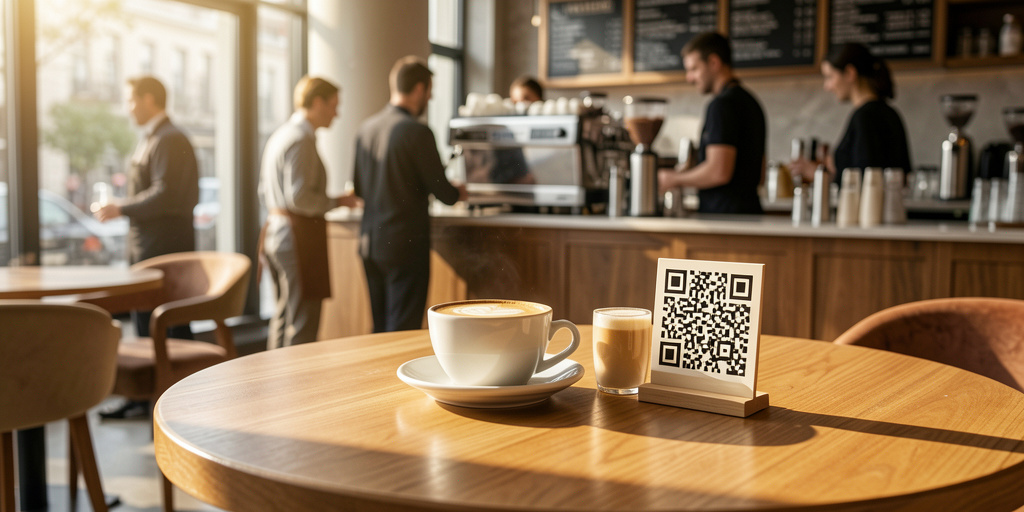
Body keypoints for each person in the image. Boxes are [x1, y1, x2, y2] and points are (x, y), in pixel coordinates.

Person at [94, 75, 199, 418]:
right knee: (145, 322)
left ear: (150, 99)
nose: (128, 108)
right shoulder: (155, 138)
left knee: (167, 324)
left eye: (131, 100)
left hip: (163, 249)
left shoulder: (169, 139)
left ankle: (177, 400)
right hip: (148, 247)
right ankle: (145, 397)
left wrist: (122, 208)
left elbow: (166, 194)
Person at [353, 56, 468, 333]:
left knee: (379, 328)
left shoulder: (365, 129)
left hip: (370, 242)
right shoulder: (417, 131)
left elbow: (358, 189)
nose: (429, 98)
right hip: (404, 245)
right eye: (430, 92)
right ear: (419, 89)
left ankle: (375, 377)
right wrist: (459, 191)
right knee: (402, 330)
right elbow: (445, 194)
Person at [260, 76, 361, 349]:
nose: (336, 114)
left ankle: (274, 384)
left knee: (283, 316)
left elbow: (264, 191)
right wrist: (338, 201)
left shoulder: (280, 135)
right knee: (302, 322)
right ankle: (295, 388)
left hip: (276, 232)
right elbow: (301, 198)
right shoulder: (301, 139)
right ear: (317, 103)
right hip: (296, 238)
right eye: (333, 106)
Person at [657, 32, 766, 214]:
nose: (689, 78)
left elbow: (719, 171)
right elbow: (760, 175)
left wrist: (674, 178)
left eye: (694, 69)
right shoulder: (750, 102)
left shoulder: (721, 105)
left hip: (725, 218)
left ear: (714, 63)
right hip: (749, 213)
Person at [788, 43, 911, 186]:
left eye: (829, 77)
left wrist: (818, 174)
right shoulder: (887, 112)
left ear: (849, 73)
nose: (827, 86)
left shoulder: (865, 116)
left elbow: (863, 181)